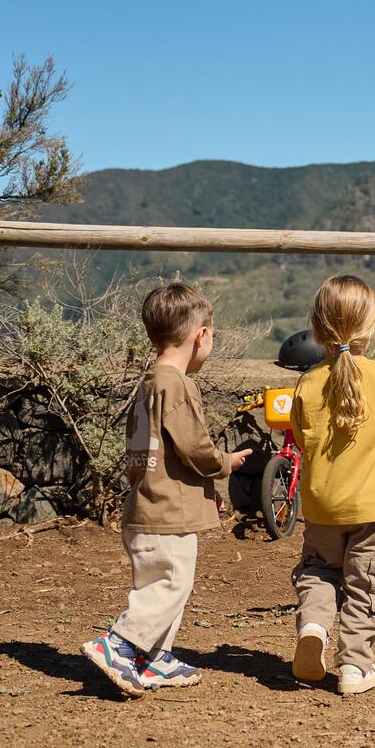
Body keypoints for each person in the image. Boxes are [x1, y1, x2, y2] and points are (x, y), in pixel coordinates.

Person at [82, 283, 251, 697]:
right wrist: (224, 463)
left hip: (145, 505)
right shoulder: (177, 384)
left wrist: (203, 489)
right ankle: (119, 644)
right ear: (201, 335)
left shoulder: (149, 384)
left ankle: (153, 658)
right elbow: (194, 447)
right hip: (168, 513)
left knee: (159, 585)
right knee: (171, 584)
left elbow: (160, 452)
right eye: (212, 334)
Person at [289, 274, 375, 696]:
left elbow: (301, 437)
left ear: (317, 326)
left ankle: (313, 626)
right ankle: (355, 666)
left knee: (318, 570)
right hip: (374, 508)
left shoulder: (307, 382)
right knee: (367, 584)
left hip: (322, 507)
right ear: (371, 327)